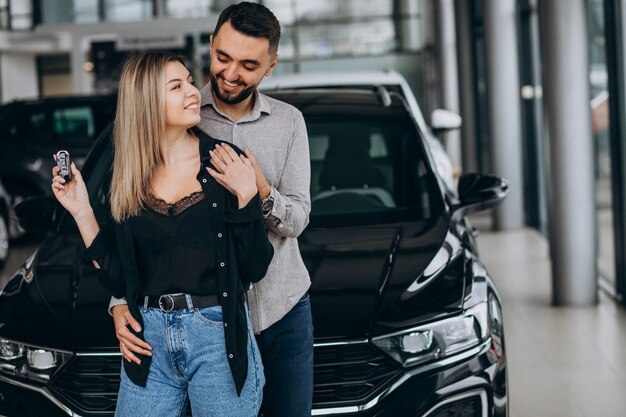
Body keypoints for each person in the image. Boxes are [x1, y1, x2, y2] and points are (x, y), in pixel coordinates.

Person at [109, 3, 314, 417]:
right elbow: (136, 218)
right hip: (200, 327)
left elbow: (296, 219)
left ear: (271, 66)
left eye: (248, 65)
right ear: (211, 45)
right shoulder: (175, 111)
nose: (231, 73)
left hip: (280, 309)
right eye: (223, 57)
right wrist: (118, 301)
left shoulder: (289, 123)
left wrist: (258, 189)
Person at [51, 51, 273, 417]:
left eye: (189, 81)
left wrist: (248, 195)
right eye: (177, 86)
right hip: (147, 341)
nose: (192, 92)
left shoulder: (223, 161)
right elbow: (119, 278)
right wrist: (81, 209)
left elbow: (255, 268)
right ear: (146, 102)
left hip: (216, 338)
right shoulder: (126, 177)